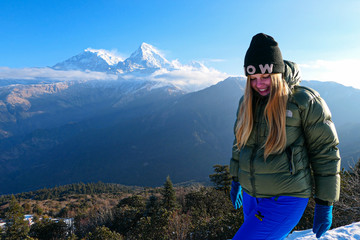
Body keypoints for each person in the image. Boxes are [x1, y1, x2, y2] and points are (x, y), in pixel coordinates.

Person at [229, 33, 341, 240]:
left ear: (278, 73)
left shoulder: (303, 101)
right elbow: (240, 143)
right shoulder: (246, 103)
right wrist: (236, 178)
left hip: (287, 197)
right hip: (251, 194)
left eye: (265, 77)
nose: (259, 84)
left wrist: (325, 202)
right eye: (253, 79)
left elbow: (325, 151)